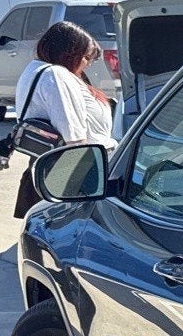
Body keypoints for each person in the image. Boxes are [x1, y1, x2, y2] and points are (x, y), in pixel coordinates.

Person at [13, 20, 115, 218]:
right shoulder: (55, 75)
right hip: (77, 166)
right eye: (85, 57)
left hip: (57, 164)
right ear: (68, 52)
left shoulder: (35, 70)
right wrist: (85, 186)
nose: (87, 64)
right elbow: (73, 137)